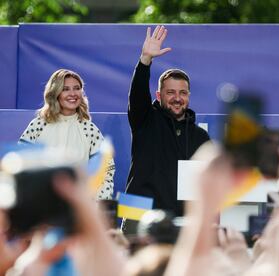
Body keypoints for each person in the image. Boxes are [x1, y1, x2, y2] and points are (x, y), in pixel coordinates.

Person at [125, 25, 210, 220]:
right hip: (137, 213)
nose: (177, 98)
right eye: (170, 92)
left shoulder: (200, 137)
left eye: (182, 93)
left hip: (181, 220)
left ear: (189, 96)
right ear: (159, 95)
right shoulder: (144, 119)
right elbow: (137, 95)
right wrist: (145, 60)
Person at [19, 69, 115, 199]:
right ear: (55, 93)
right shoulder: (38, 125)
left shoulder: (89, 129)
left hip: (77, 210)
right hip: (41, 208)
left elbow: (105, 173)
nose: (72, 93)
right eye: (65, 89)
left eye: (76, 88)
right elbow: (20, 163)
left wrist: (94, 206)